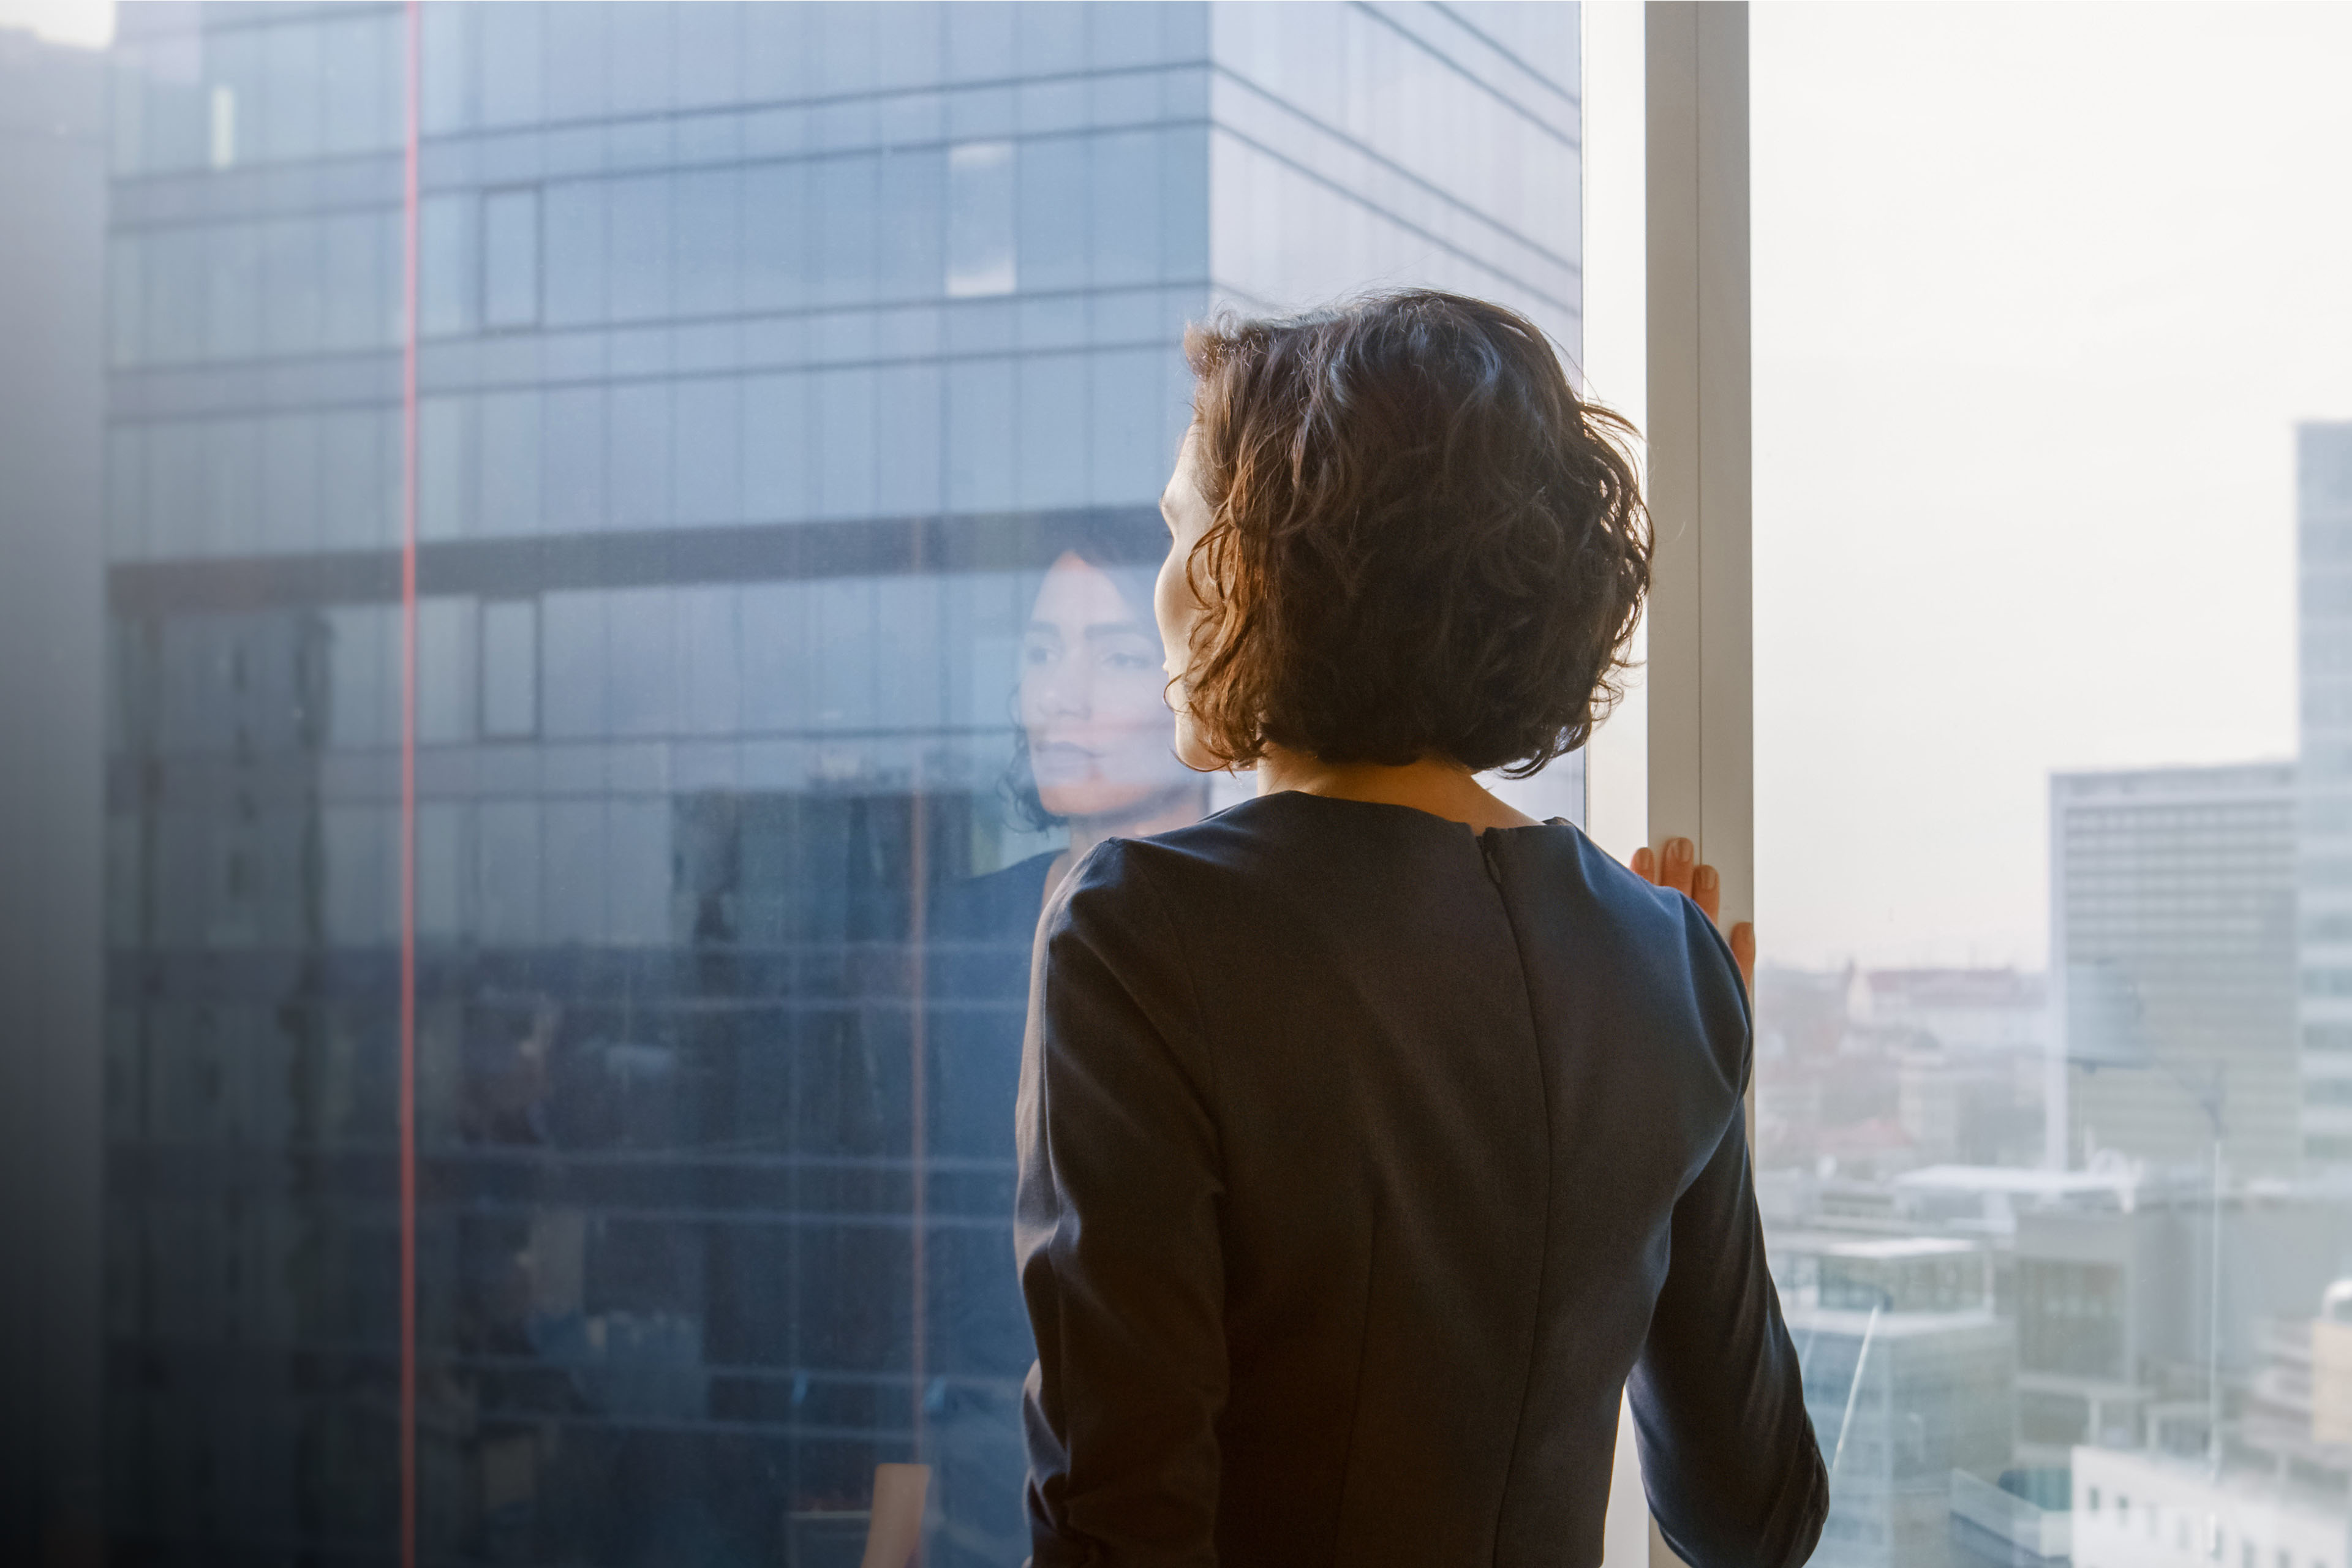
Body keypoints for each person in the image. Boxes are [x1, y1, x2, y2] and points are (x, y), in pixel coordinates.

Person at [1014, 292, 1828, 1567]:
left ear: (1252, 567)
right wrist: (1695, 1064)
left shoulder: (1140, 933)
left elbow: (1117, 1526)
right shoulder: (1669, 962)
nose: (1165, 582)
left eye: (1180, 527)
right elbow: (1755, 1517)